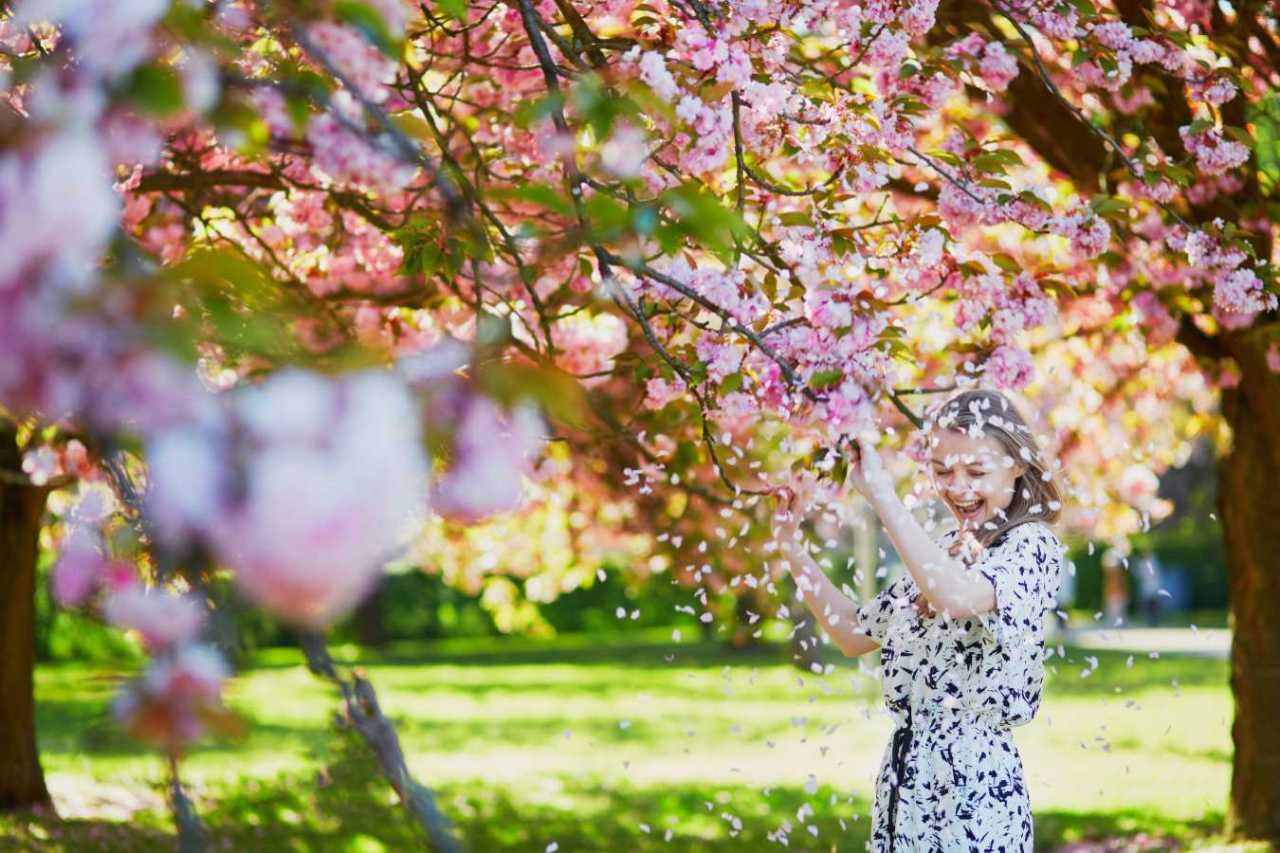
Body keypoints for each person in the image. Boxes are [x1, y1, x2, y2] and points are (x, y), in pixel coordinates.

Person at [774, 388, 1064, 852]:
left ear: (1016, 464)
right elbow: (852, 632)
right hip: (907, 778)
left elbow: (956, 596)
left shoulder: (1030, 547)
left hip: (974, 785)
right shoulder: (946, 549)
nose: (959, 487)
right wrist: (791, 546)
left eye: (976, 471)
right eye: (944, 471)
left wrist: (883, 499)